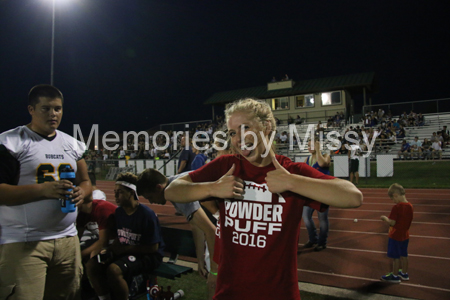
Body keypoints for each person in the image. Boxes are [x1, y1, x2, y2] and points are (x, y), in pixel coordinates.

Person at [164, 98, 363, 300]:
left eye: (245, 127)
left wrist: (291, 183)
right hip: (229, 292)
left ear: (266, 126)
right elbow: (172, 190)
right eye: (233, 133)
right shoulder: (225, 166)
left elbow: (353, 196)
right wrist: (213, 188)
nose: (239, 138)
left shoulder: (291, 172)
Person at [0, 84, 91, 300]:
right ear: (31, 109)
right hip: (24, 241)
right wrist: (42, 190)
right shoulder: (11, 142)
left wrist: (82, 192)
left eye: (58, 109)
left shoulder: (72, 144)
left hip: (68, 240)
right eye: (46, 108)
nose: (53, 114)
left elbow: (86, 181)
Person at [136, 168, 218, 299]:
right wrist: (200, 260)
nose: (151, 202)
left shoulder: (176, 192)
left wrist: (214, 272)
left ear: (158, 187)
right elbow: (197, 226)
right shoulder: (177, 180)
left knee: (215, 286)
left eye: (150, 197)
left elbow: (212, 232)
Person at [85, 172, 164, 300]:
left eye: (120, 192)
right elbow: (120, 236)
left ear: (132, 193)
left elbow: (153, 248)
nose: (115, 195)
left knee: (114, 270)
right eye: (115, 191)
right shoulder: (119, 212)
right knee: (92, 265)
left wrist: (126, 249)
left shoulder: (146, 215)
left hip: (148, 256)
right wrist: (109, 250)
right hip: (127, 252)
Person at [380, 183, 413, 283]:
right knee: (404, 254)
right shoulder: (410, 206)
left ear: (395, 195)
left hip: (395, 236)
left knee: (395, 257)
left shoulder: (397, 208)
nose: (393, 202)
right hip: (405, 235)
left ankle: (394, 276)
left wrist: (385, 219)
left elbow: (392, 222)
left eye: (393, 199)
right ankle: (404, 273)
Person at [302, 140, 331, 251]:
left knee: (322, 218)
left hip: (323, 192)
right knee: (306, 217)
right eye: (308, 145)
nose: (310, 147)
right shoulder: (307, 159)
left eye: (312, 145)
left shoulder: (325, 156)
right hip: (310, 192)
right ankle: (313, 239)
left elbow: (322, 164)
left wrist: (318, 150)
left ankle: (322, 242)